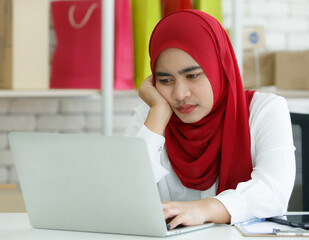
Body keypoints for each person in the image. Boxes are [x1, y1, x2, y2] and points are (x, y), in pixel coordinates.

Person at [125, 9, 295, 230]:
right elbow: (125, 195)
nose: (179, 94)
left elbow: (274, 192)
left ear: (219, 67)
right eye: (165, 80)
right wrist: (157, 114)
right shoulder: (152, 116)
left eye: (192, 75)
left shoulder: (265, 110)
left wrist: (204, 209)